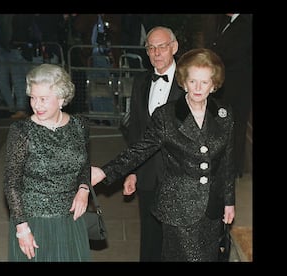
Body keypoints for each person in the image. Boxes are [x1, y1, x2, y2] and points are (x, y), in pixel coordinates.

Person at [92, 48, 236, 262]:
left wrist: (229, 201)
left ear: (213, 85)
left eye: (204, 82)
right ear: (183, 82)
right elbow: (140, 149)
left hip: (211, 209)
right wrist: (106, 172)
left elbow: (227, 161)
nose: (198, 87)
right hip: (178, 208)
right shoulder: (166, 116)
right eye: (193, 81)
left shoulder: (223, 114)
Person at [3, 63, 91, 262]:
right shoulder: (22, 132)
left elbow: (84, 164)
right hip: (34, 222)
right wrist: (22, 228)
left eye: (43, 99)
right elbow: (11, 183)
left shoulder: (79, 126)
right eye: (33, 98)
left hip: (70, 220)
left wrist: (84, 189)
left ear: (61, 99)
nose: (37, 105)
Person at [122, 26, 184, 261]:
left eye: (162, 47)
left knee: (177, 240)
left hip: (179, 176)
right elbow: (136, 130)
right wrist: (132, 172)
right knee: (149, 238)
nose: (156, 53)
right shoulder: (140, 82)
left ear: (174, 48)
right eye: (151, 48)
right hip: (148, 174)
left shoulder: (189, 82)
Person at [208, 14, 252, 178]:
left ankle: (234, 168)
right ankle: (225, 165)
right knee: (224, 124)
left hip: (238, 85)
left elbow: (237, 53)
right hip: (226, 84)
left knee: (236, 126)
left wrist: (212, 57)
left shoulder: (246, 23)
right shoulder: (226, 22)